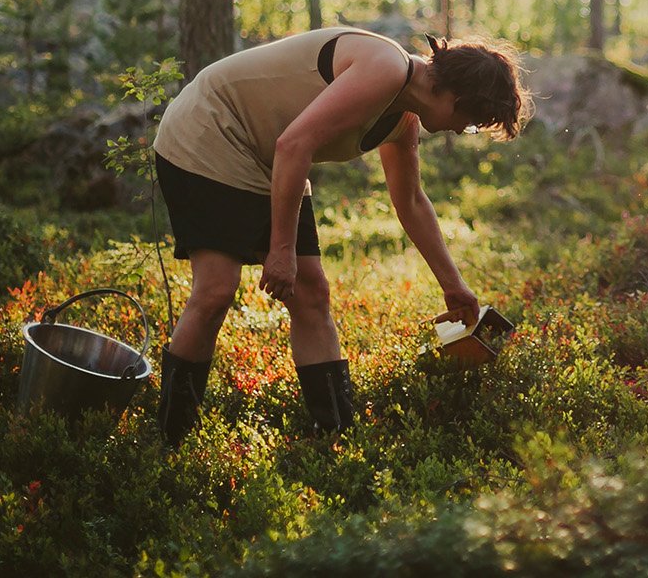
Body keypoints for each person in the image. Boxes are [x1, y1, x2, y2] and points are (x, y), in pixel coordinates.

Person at [149, 27, 531, 445]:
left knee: (311, 290)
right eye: (472, 122)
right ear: (456, 98)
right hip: (209, 129)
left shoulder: (403, 118)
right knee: (217, 290)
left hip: (263, 155)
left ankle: (334, 435)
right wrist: (281, 250)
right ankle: (171, 438)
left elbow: (412, 202)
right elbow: (294, 145)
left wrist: (453, 286)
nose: (462, 131)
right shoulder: (384, 69)